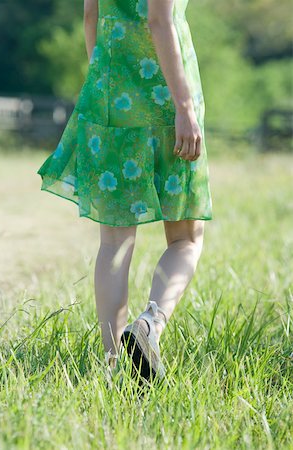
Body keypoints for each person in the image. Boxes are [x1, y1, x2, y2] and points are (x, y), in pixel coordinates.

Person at [37, 0, 213, 382]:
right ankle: (150, 323)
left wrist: (102, 79)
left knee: (114, 242)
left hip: (110, 96)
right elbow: (159, 19)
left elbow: (90, 15)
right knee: (185, 237)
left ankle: (114, 364)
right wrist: (184, 107)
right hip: (167, 101)